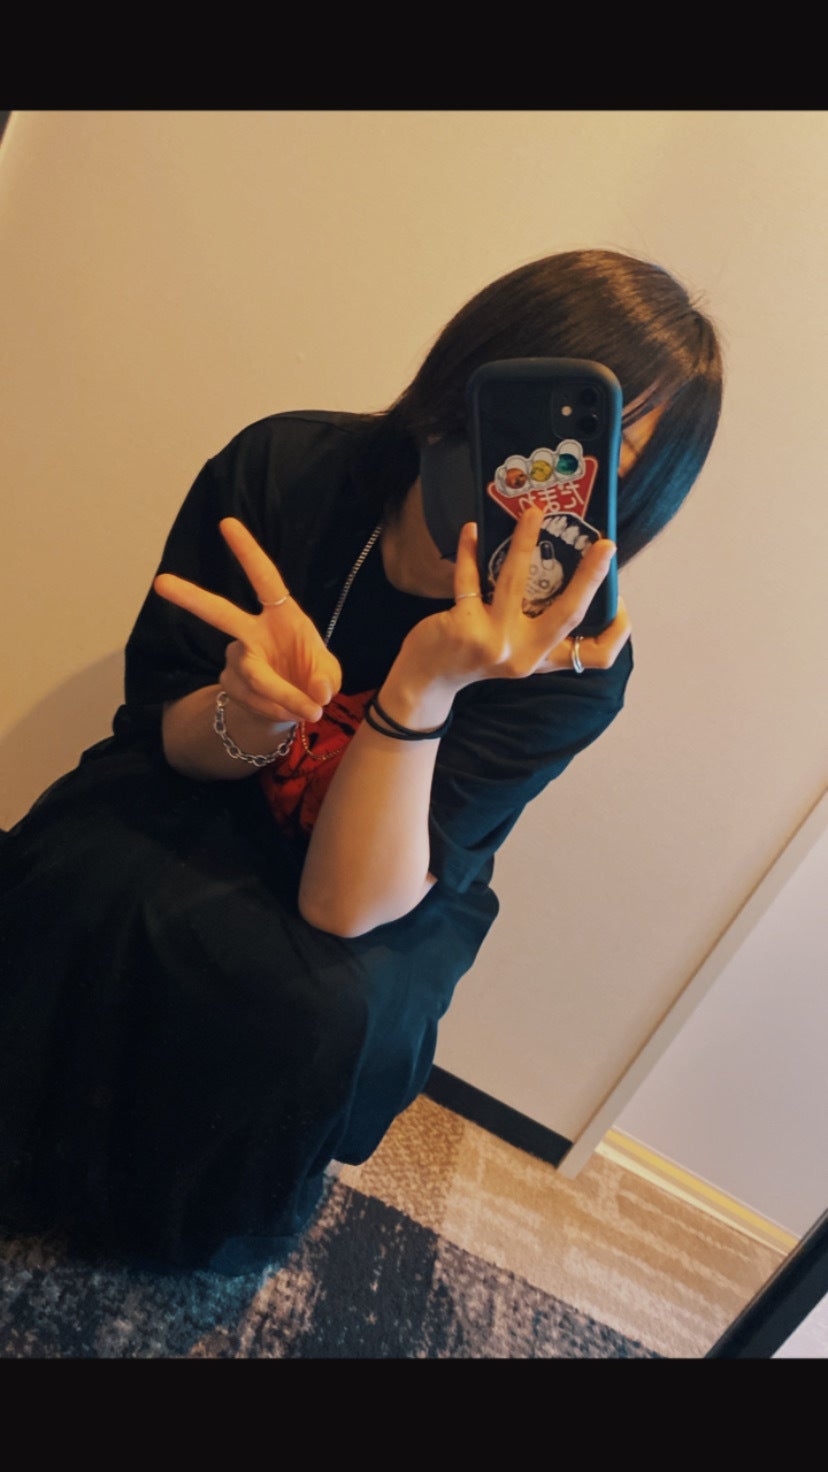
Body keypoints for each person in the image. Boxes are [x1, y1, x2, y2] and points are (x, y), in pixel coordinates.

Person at [0, 248, 723, 1275]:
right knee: (81, 873)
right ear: (465, 376)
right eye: (530, 418)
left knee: (320, 1005)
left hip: (387, 865)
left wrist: (422, 686)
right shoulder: (286, 470)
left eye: (602, 453)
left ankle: (183, 1228)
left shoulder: (572, 658)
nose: (540, 473)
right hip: (201, 775)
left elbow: (344, 905)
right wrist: (249, 712)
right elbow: (165, 733)